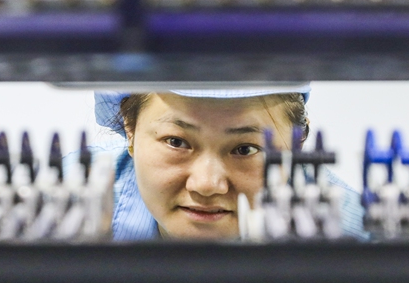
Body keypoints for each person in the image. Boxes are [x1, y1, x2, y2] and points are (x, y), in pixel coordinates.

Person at [94, 87, 365, 241]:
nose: (207, 185)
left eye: (245, 149)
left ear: (297, 146)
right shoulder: (65, 204)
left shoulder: (359, 240)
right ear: (130, 129)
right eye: (176, 142)